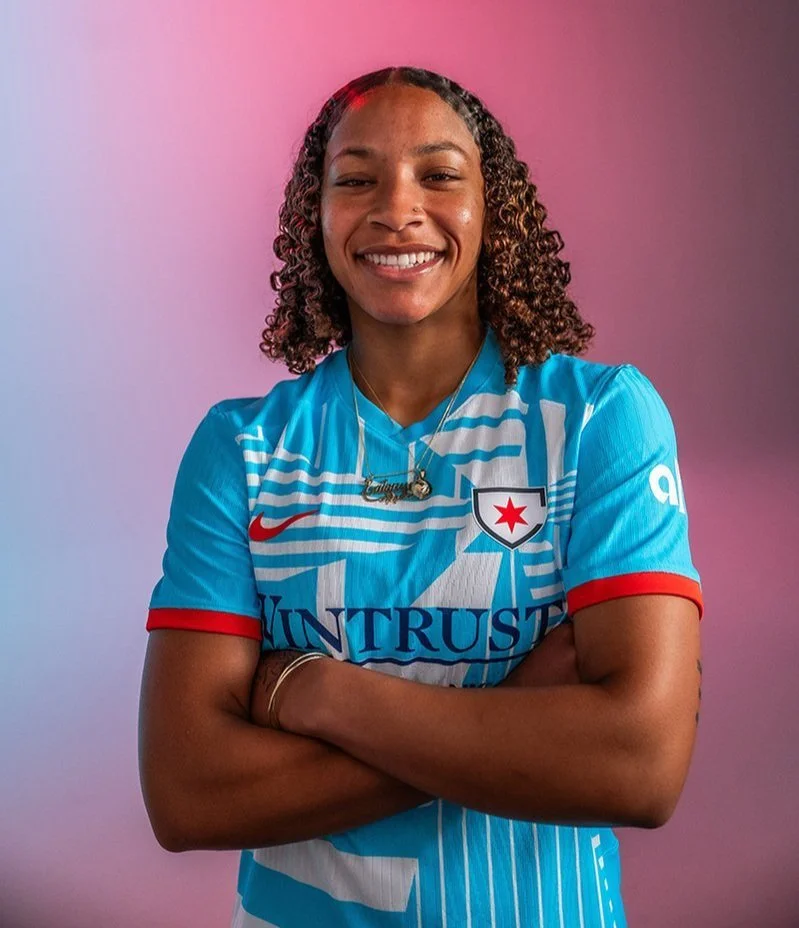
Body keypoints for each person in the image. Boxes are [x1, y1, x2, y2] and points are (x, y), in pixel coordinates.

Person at [139, 66, 704, 928]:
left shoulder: (596, 419)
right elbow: (188, 794)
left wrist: (314, 692)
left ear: (494, 208)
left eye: (439, 175)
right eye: (356, 179)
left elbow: (639, 767)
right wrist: (518, 721)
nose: (396, 209)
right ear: (314, 215)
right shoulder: (245, 447)